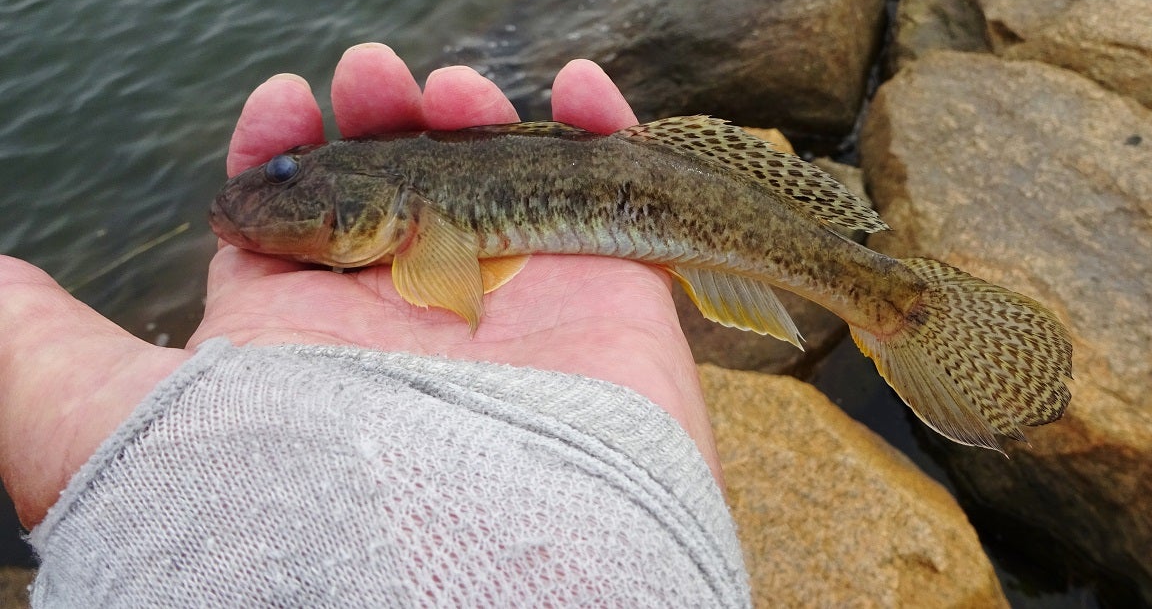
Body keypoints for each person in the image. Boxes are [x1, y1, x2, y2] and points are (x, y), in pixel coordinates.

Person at [0, 44, 751, 606]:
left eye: (287, 175)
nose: (270, 185)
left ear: (384, 204)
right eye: (283, 174)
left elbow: (445, 275)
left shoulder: (409, 213)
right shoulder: (391, 210)